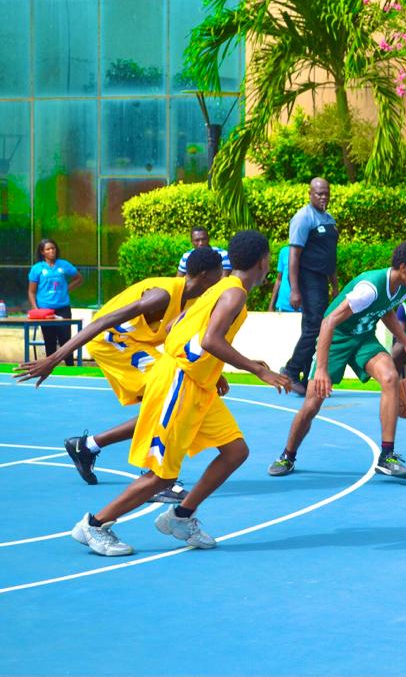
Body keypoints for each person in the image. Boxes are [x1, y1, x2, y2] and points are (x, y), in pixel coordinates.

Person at [70, 230, 292, 556]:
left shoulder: (223, 288)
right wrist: (258, 370)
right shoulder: (234, 294)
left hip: (196, 382)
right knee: (162, 475)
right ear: (263, 261)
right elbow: (210, 340)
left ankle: (181, 516)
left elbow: (178, 327)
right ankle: (95, 524)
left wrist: (213, 371)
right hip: (179, 383)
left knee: (235, 451)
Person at [15, 247, 225, 503]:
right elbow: (101, 322)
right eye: (220, 274)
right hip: (111, 341)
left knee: (166, 403)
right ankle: (154, 478)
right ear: (205, 275)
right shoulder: (163, 294)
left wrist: (211, 372)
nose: (222, 280)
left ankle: (87, 446)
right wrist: (54, 359)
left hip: (133, 344)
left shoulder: (193, 299)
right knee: (170, 397)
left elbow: (178, 335)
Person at [267, 240, 406, 480]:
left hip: (363, 337)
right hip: (337, 338)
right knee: (312, 405)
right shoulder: (370, 288)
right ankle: (287, 455)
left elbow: (386, 311)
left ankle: (387, 456)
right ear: (404, 268)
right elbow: (329, 321)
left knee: (390, 377)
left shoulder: (404, 287)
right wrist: (321, 369)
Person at [280, 178, 339, 396]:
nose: (323, 197)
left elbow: (330, 256)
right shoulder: (303, 218)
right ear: (310, 194)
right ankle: (291, 370)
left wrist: (335, 285)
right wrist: (294, 289)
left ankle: (306, 378)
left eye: (326, 193)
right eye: (319, 194)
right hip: (308, 278)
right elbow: (294, 256)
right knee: (316, 327)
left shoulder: (329, 218)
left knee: (312, 329)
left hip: (322, 280)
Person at [27, 238, 84, 366]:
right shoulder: (37, 268)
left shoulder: (63, 265)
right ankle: (49, 367)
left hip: (63, 308)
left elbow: (79, 278)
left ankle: (70, 367)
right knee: (49, 341)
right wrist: (36, 309)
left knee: (66, 340)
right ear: (42, 252)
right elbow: (31, 292)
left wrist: (67, 289)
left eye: (53, 248)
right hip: (45, 311)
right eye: (48, 249)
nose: (51, 251)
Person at [268, 244, 300, 313]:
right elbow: (279, 280)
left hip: (303, 309)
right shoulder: (284, 251)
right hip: (282, 307)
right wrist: (271, 305)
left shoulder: (311, 252)